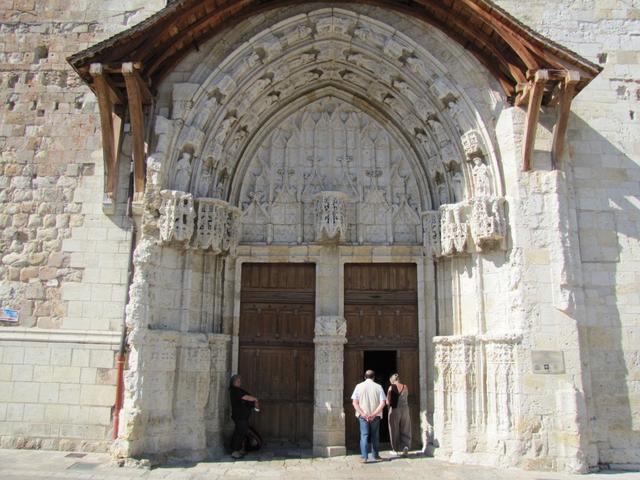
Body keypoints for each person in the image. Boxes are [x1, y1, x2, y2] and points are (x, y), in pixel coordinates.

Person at [351, 369, 387, 463]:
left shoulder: (358, 386)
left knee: (364, 435)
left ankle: (364, 457)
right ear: (374, 377)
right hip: (375, 416)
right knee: (375, 435)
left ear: (364, 377)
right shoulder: (378, 387)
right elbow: (383, 402)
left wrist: (363, 414)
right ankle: (375, 455)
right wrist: (374, 414)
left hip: (363, 416)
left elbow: (355, 403)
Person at [229, 374, 259, 459]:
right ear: (233, 382)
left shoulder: (238, 390)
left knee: (242, 432)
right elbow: (245, 397)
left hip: (242, 416)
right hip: (239, 416)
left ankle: (239, 449)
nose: (239, 382)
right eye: (238, 381)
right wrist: (255, 399)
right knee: (239, 432)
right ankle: (234, 451)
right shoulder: (234, 390)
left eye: (239, 381)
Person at [386, 373, 412, 457]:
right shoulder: (405, 386)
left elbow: (388, 401)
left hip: (395, 409)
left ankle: (395, 449)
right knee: (406, 428)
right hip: (405, 409)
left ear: (392, 380)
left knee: (394, 429)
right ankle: (405, 446)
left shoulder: (391, 387)